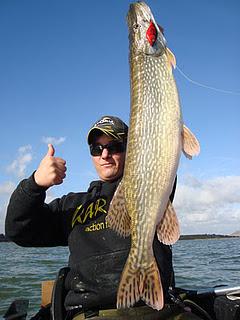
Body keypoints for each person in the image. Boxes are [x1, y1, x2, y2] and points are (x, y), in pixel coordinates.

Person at [5, 116, 203, 320]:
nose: (105, 155)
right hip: (91, 314)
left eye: (115, 146)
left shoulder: (148, 184)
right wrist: (35, 184)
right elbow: (18, 230)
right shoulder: (71, 205)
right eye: (96, 149)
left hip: (158, 310)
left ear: (131, 149)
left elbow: (160, 144)